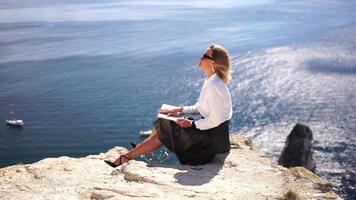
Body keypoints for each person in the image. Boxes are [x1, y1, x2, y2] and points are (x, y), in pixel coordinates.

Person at [105, 44, 233, 167]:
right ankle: (135, 150)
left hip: (212, 141)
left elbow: (215, 121)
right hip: (208, 131)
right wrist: (179, 110)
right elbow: (200, 107)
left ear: (214, 63)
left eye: (205, 56)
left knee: (165, 131)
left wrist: (192, 124)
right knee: (164, 118)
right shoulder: (210, 81)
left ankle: (126, 157)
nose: (201, 57)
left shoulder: (215, 86)